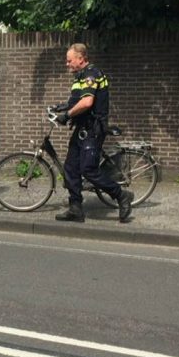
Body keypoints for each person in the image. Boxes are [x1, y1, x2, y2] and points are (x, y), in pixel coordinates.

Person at [53, 43, 133, 223]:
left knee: (88, 169)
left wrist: (66, 115)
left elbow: (88, 102)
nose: (67, 64)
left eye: (69, 61)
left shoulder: (92, 74)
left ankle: (121, 195)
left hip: (92, 130)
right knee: (71, 168)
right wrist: (62, 107)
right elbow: (77, 102)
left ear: (80, 58)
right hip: (81, 129)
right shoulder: (79, 77)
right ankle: (75, 208)